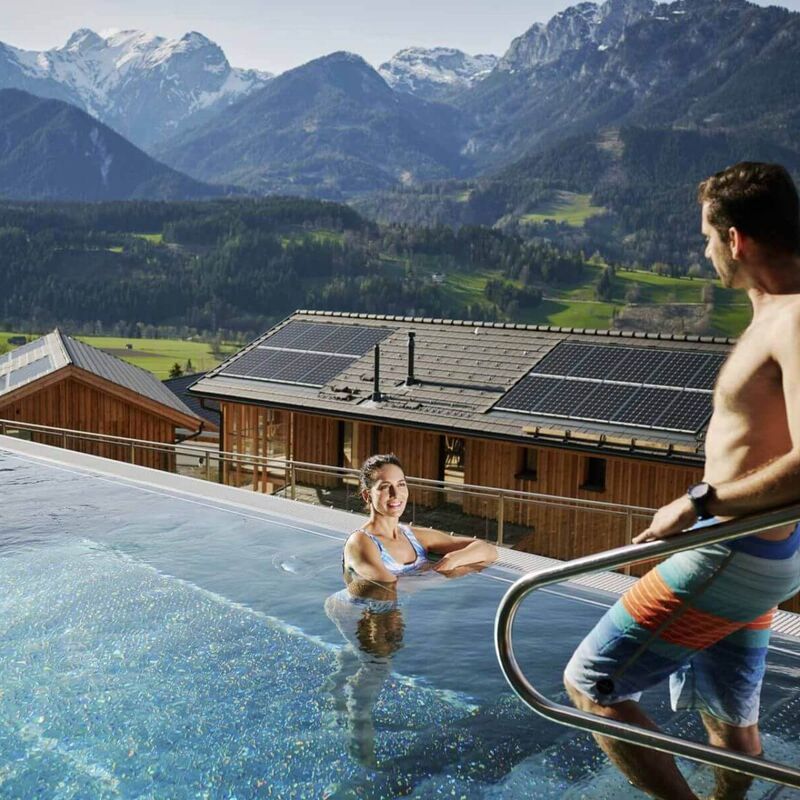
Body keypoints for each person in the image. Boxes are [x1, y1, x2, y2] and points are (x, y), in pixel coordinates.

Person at [564, 162, 800, 800]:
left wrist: (699, 501)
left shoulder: (795, 318)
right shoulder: (778, 312)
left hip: (731, 553)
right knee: (728, 714)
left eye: (706, 237)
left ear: (738, 241)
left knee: (590, 685)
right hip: (763, 552)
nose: (703, 252)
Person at [342, 453, 497, 583]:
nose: (396, 494)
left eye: (401, 484)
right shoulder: (360, 541)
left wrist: (451, 560)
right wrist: (451, 573)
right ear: (367, 495)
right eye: (385, 487)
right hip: (367, 615)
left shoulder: (413, 536)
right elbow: (389, 591)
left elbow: (488, 550)